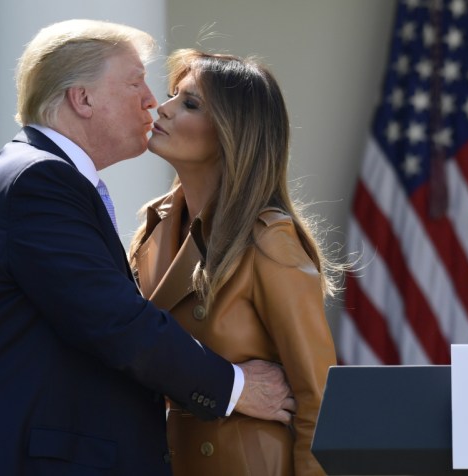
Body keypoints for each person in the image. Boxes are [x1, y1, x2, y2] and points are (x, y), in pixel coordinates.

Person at [0, 20, 295, 476]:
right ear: (82, 99)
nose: (151, 101)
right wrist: (236, 387)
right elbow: (115, 321)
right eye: (135, 83)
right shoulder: (38, 180)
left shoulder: (45, 176)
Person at [128, 49, 338, 476]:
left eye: (189, 103)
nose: (160, 109)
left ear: (231, 133)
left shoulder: (268, 239)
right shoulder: (154, 226)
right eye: (171, 95)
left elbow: (318, 399)